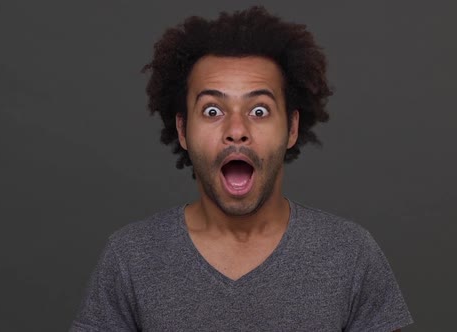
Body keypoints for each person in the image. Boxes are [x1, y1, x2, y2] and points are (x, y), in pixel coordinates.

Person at [70, 6, 413, 331]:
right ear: (182, 129)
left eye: (259, 110)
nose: (236, 129)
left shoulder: (351, 255)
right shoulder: (130, 258)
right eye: (212, 111)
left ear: (291, 128)